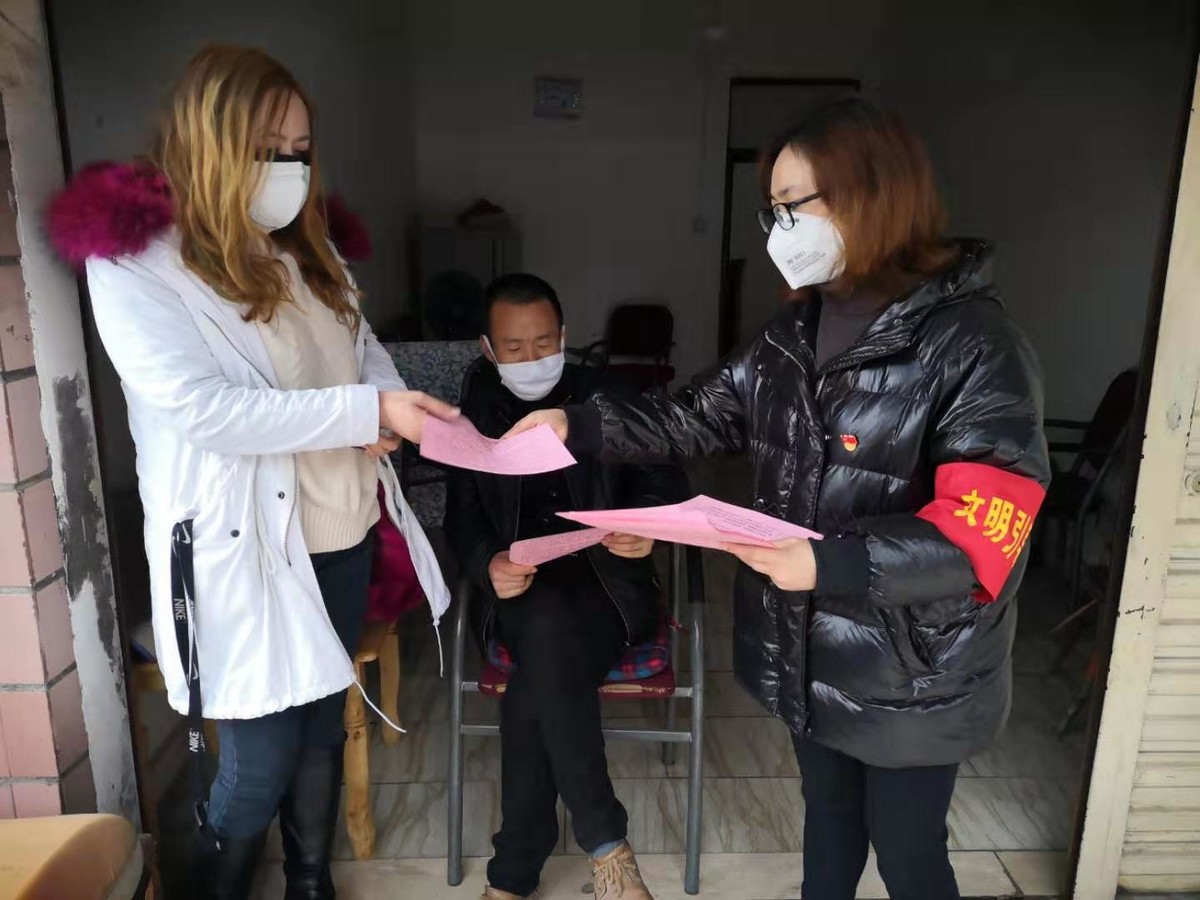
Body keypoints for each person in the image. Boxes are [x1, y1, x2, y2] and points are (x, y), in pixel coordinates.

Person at [506, 98, 1052, 900]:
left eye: (795, 207)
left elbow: (983, 534)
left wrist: (830, 564)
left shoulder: (973, 344)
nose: (779, 231)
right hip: (810, 648)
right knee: (826, 819)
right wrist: (578, 424)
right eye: (773, 210)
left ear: (873, 194)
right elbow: (694, 416)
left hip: (914, 667)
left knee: (907, 854)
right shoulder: (792, 334)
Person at [49, 46, 455, 900]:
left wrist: (383, 401)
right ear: (208, 140)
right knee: (260, 758)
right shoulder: (139, 263)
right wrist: (366, 413)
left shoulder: (310, 249)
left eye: (301, 150)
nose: (290, 169)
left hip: (340, 531)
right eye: (269, 148)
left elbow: (362, 348)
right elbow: (206, 410)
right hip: (241, 551)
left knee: (320, 729)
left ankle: (310, 883)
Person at [445, 274, 681, 900]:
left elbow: (663, 478)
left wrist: (646, 527)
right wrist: (488, 563)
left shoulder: (607, 398)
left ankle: (519, 866)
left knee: (538, 671)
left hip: (608, 582)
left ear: (565, 336)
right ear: (488, 349)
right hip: (520, 584)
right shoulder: (473, 416)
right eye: (514, 348)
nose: (531, 358)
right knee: (544, 636)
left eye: (544, 343)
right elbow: (462, 520)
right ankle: (607, 852)